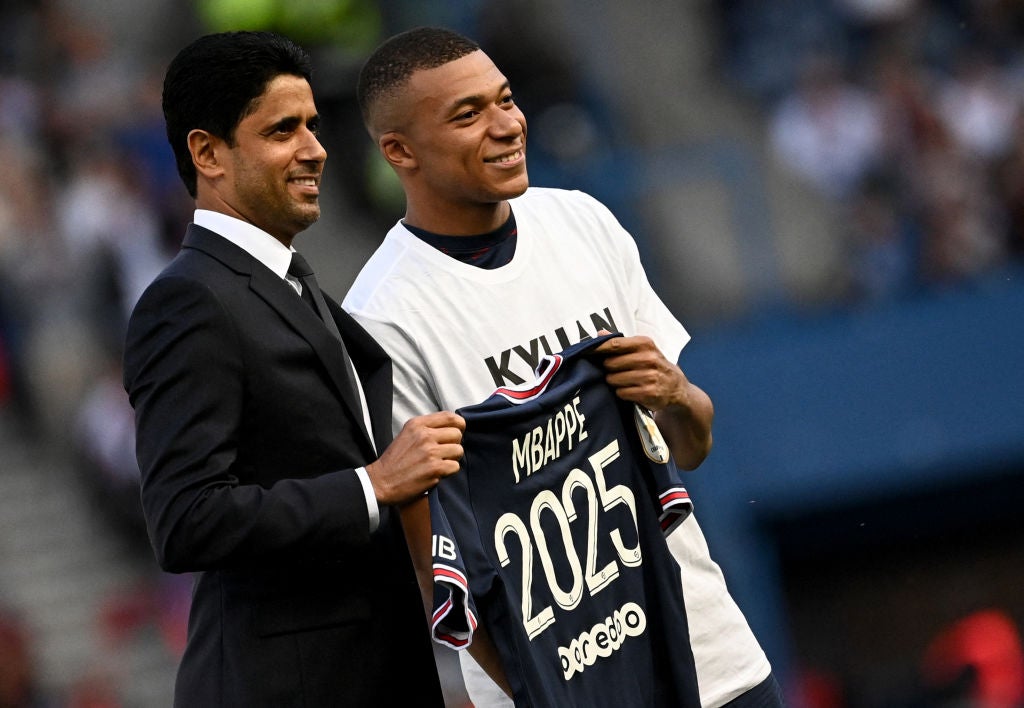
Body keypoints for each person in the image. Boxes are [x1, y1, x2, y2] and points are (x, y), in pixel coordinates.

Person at [344, 26, 783, 707]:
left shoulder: (582, 222)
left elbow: (692, 446)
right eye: (468, 115)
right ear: (399, 150)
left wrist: (677, 395)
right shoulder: (382, 318)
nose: (507, 126)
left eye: (506, 100)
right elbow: (436, 574)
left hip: (711, 660)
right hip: (561, 687)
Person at [123, 30, 463, 707]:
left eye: (312, 124)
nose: (315, 148)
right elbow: (186, 516)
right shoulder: (189, 300)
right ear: (207, 152)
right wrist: (372, 485)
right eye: (283, 129)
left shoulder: (289, 282)